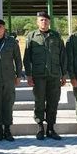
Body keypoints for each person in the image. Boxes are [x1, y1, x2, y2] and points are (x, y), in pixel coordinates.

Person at [24, 12, 67, 141]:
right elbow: (27, 58)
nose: (44, 22)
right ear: (37, 22)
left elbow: (62, 56)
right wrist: (28, 75)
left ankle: (51, 128)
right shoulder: (31, 36)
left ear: (49, 22)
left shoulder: (56, 36)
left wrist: (64, 74)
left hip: (54, 75)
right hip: (39, 76)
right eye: (41, 20)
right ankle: (40, 128)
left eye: (46, 20)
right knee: (39, 102)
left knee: (53, 102)